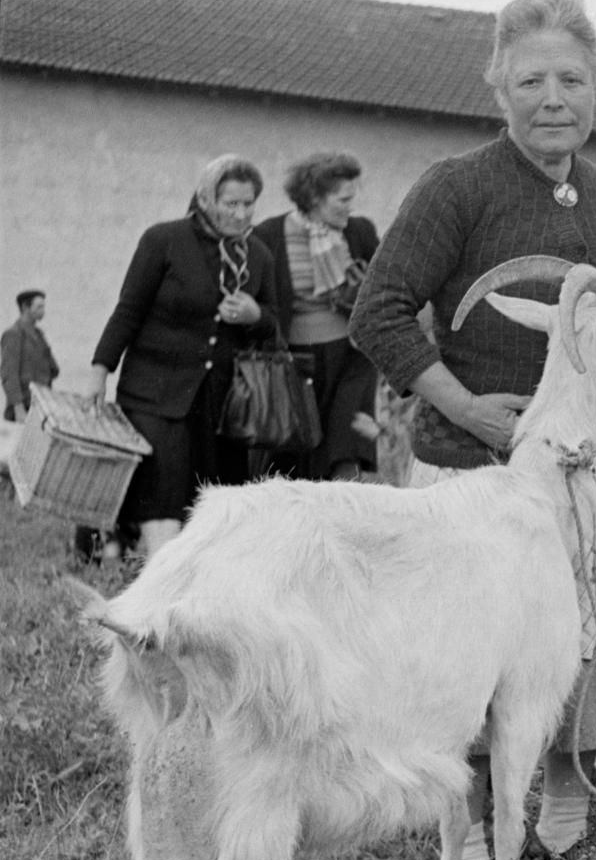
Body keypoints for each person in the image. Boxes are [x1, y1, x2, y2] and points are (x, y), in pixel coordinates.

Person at [348, 0, 596, 860]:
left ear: (595, 88)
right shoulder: (457, 188)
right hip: (469, 472)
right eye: (530, 78)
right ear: (499, 85)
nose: (552, 98)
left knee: (579, 640)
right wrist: (459, 403)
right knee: (470, 654)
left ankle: (564, 788)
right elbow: (377, 312)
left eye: (571, 79)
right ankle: (468, 825)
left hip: (587, 473)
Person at [89, 155, 278, 557]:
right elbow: (128, 310)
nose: (241, 213)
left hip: (222, 404)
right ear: (207, 199)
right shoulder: (164, 241)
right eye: (231, 203)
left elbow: (276, 326)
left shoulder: (259, 257)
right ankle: (158, 581)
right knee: (163, 489)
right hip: (153, 393)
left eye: (248, 204)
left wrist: (255, 315)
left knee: (213, 500)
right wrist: (99, 371)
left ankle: (175, 579)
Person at [252, 152, 381, 481]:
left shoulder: (360, 233)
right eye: (342, 200)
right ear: (313, 198)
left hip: (351, 358)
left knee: (344, 452)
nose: (350, 207)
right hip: (294, 361)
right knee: (293, 458)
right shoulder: (268, 235)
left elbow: (387, 289)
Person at [2, 289, 58, 422]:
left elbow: (54, 369)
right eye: (39, 307)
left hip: (41, 404)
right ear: (25, 307)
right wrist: (18, 408)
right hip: (23, 408)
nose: (43, 311)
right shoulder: (13, 334)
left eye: (43, 306)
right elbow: (9, 374)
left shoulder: (39, 335)